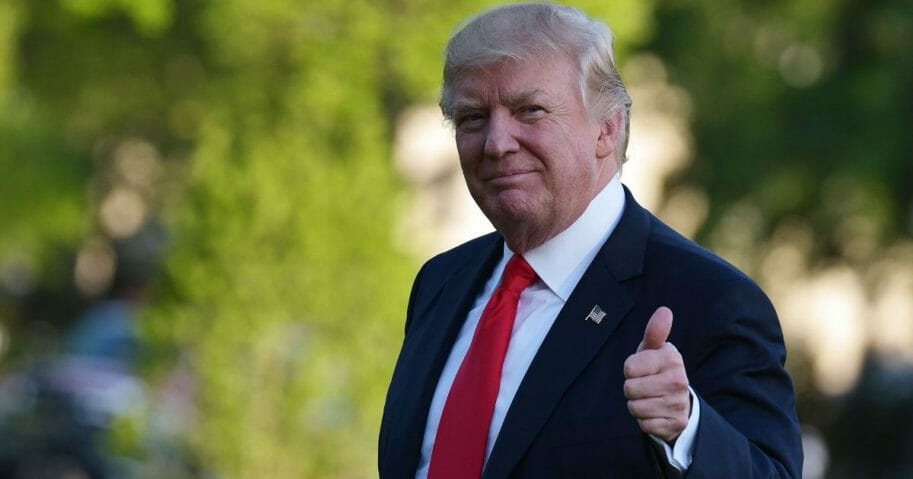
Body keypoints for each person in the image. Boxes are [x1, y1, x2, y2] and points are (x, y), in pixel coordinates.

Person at [379, 3, 803, 478]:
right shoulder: (441, 282)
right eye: (473, 118)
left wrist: (688, 429)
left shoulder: (709, 300)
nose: (497, 142)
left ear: (608, 128)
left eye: (529, 110)